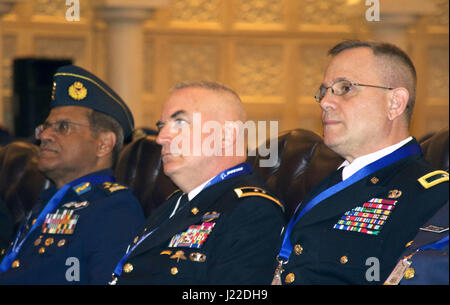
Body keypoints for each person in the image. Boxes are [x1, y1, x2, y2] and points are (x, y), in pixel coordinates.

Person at [272, 40, 449, 285]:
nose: (325, 103)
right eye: (324, 91)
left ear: (394, 103)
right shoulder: (327, 183)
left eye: (345, 88)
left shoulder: (433, 196)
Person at [110, 81, 285, 285]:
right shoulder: (174, 205)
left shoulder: (252, 211)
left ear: (227, 136)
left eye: (180, 123)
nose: (161, 138)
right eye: (162, 125)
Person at [0, 65, 145, 284]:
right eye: (46, 127)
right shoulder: (48, 201)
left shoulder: (113, 208)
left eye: (63, 127)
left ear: (103, 144)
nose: (46, 135)